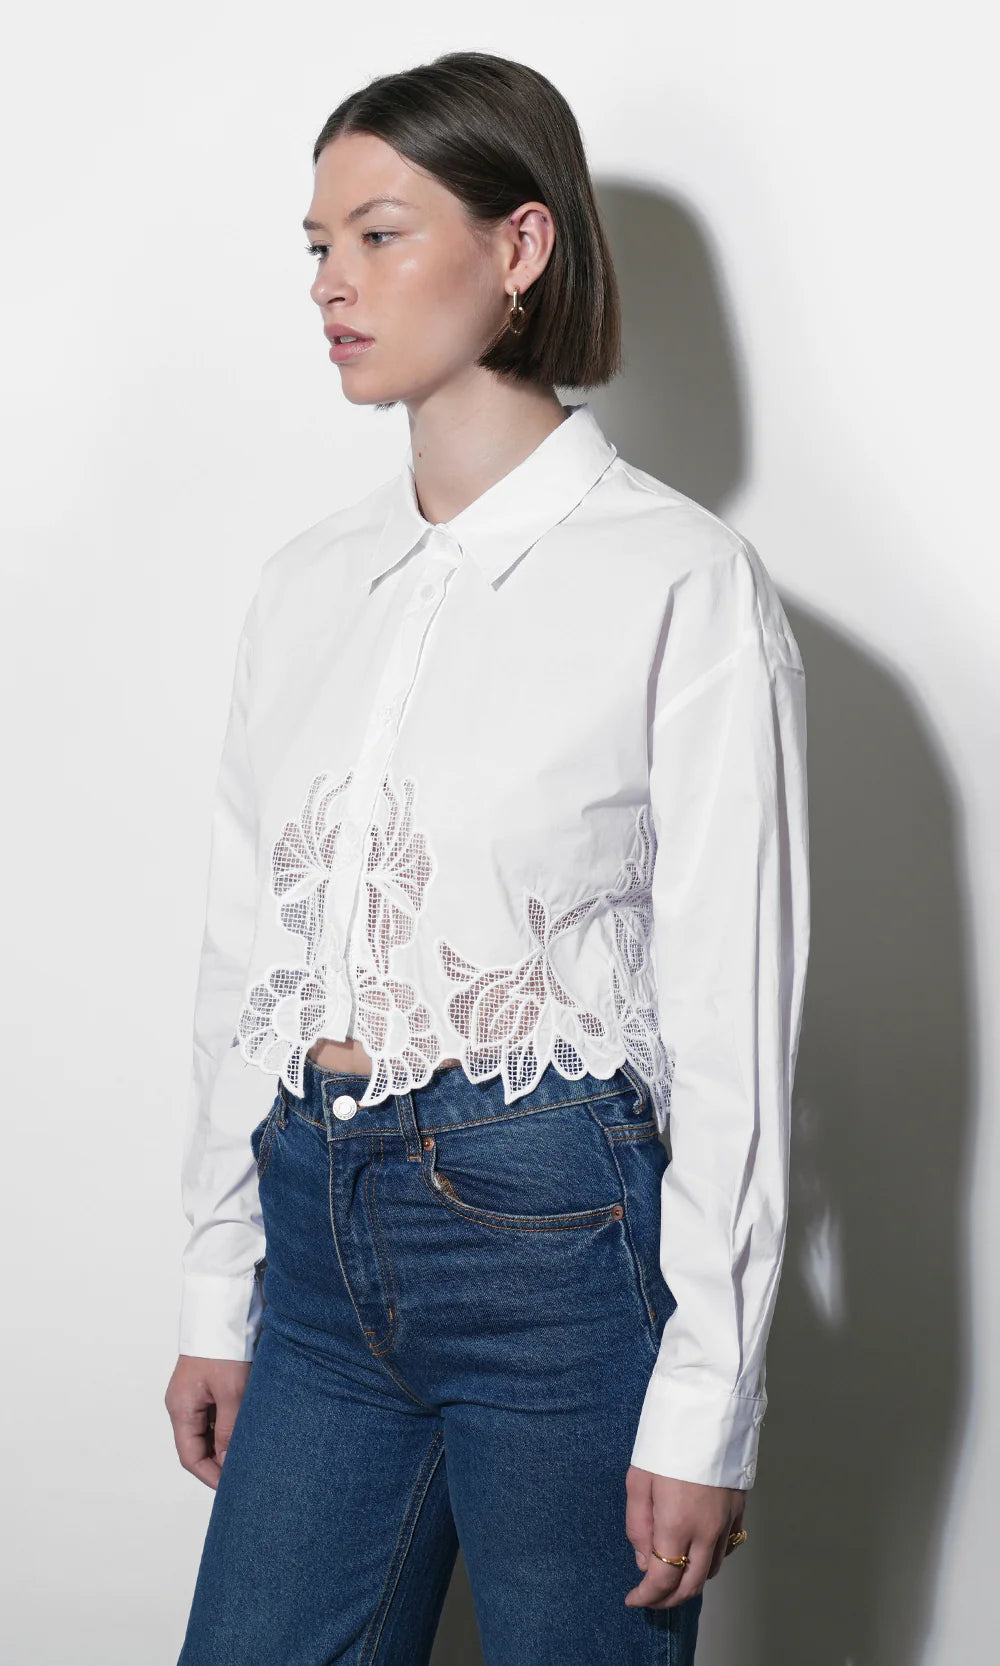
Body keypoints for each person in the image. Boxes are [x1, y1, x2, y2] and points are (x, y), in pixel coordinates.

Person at [165, 49, 810, 1666]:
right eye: (318, 244)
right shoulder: (306, 586)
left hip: (556, 1250)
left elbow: (732, 1018)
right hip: (316, 1249)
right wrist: (219, 1287)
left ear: (521, 247)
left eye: (380, 235)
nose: (332, 282)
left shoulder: (681, 583)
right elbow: (248, 959)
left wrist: (708, 1397)